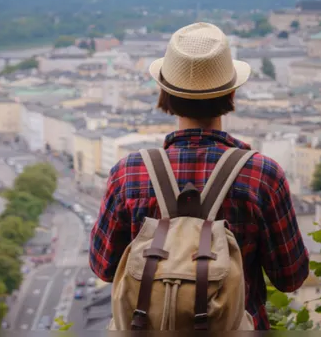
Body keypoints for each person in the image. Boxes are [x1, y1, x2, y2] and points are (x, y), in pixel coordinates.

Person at [89, 22, 309, 330]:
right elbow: (290, 276)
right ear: (231, 91)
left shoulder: (128, 174)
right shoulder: (262, 176)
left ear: (165, 92)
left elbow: (103, 267)